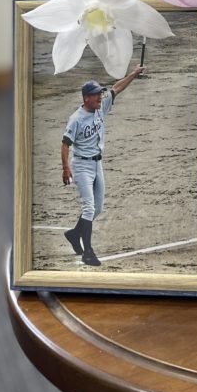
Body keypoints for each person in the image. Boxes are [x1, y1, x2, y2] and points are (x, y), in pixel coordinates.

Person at [60, 67, 144, 266]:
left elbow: (117, 88)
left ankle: (74, 234)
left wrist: (133, 74)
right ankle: (88, 252)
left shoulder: (100, 108)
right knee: (89, 207)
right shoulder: (76, 119)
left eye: (100, 94)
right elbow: (65, 144)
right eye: (96, 94)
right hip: (82, 166)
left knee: (97, 208)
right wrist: (65, 168)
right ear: (86, 98)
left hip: (98, 164)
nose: (100, 97)